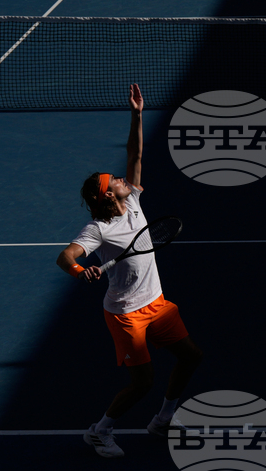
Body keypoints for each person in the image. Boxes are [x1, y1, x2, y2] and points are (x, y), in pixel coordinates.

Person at [57, 83, 203, 459]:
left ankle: (164, 418)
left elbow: (135, 153)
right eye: (115, 182)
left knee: (190, 356)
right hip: (125, 315)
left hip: (156, 302)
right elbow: (66, 256)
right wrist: (78, 270)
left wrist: (137, 115)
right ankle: (99, 431)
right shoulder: (98, 229)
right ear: (107, 195)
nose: (122, 180)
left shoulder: (134, 200)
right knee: (142, 383)